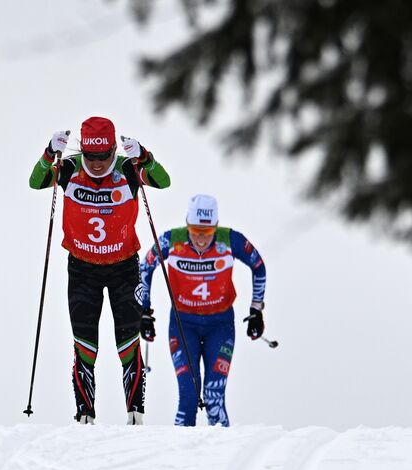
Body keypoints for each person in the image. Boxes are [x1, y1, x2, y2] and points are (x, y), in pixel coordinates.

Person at [29, 116, 170, 424]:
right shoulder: (69, 168)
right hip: (82, 270)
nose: (95, 164)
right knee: (85, 344)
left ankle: (135, 412)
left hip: (123, 269)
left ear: (112, 150)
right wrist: (48, 154)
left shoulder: (127, 169)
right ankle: (85, 414)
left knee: (128, 342)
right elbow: (36, 181)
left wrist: (144, 156)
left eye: (103, 156)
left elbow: (162, 180)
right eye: (90, 156)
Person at [138, 194, 267, 427]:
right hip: (183, 324)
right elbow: (145, 267)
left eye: (206, 233)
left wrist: (256, 309)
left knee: (213, 396)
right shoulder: (172, 240)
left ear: (215, 228)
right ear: (187, 225)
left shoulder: (230, 240)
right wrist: (143, 311)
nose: (199, 239)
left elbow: (258, 266)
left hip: (220, 325)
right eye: (195, 231)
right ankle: (180, 460)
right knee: (188, 396)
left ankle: (223, 457)